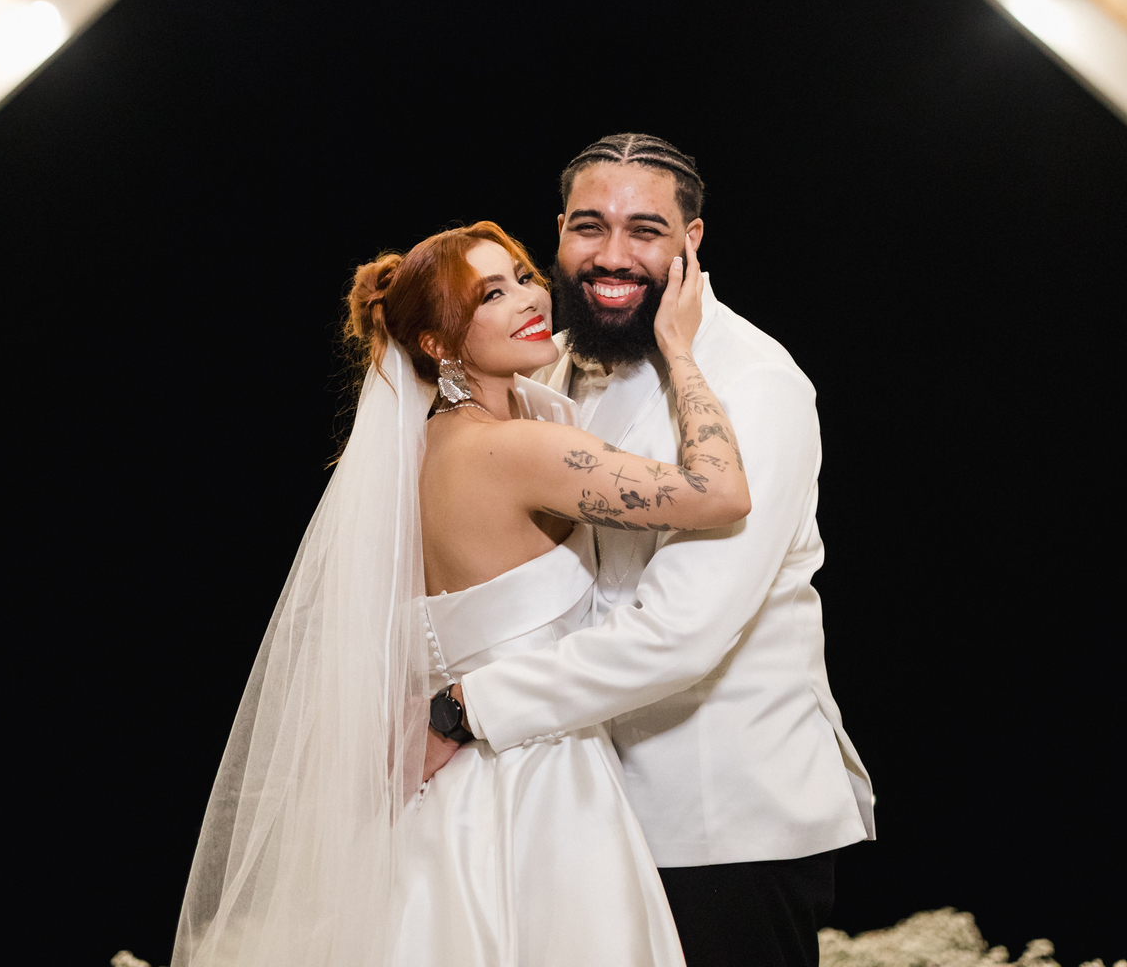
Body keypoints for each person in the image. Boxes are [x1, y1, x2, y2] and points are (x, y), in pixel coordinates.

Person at [173, 217, 750, 966]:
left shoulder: (423, 453)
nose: (528, 298)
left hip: (448, 803)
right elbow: (721, 493)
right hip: (542, 791)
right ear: (438, 344)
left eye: (522, 277)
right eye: (489, 296)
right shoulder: (517, 450)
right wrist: (680, 350)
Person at [446, 135, 875, 967]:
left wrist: (468, 710)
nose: (613, 255)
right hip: (573, 808)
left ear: (692, 240)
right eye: (589, 226)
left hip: (721, 824)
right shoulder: (549, 363)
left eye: (644, 230)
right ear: (559, 233)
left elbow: (683, 631)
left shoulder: (755, 384)